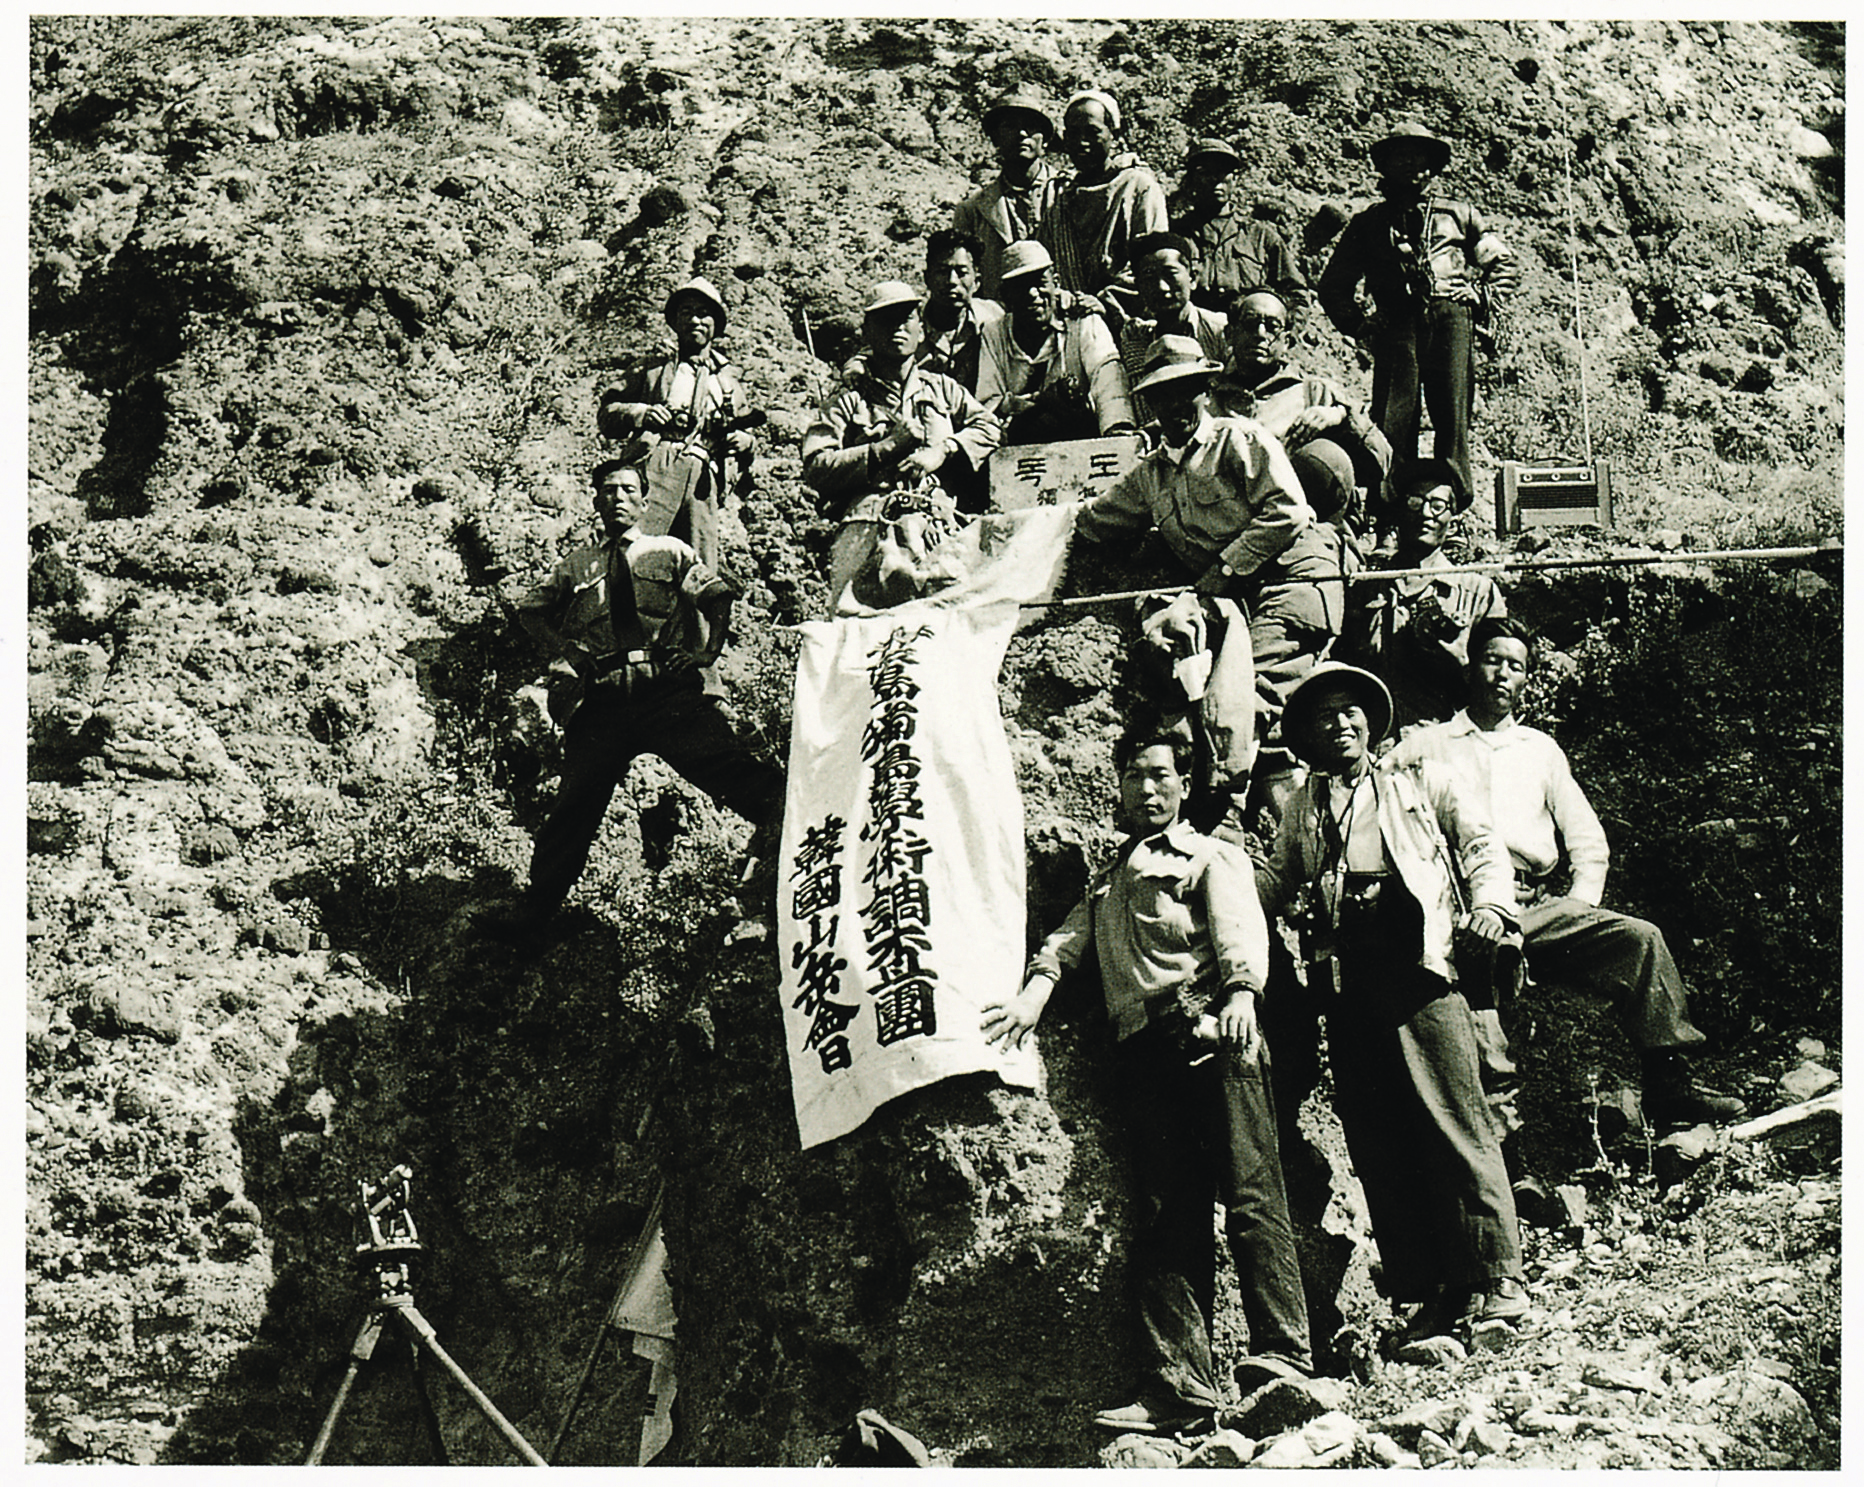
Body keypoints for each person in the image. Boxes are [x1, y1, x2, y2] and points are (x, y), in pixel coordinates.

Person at [982, 722, 1313, 1434]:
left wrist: (1242, 995)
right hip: (1142, 1052)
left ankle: (1285, 1356)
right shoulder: (1108, 877)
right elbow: (1067, 943)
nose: (1148, 787)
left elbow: (1238, 929)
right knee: (1169, 1216)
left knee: (1250, 1190)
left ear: (1184, 783)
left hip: (1210, 1030)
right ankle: (1178, 1387)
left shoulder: (1209, 854)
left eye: (1161, 774)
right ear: (1121, 786)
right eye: (1135, 775)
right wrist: (1031, 997)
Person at [1387, 618, 1749, 1131]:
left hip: (1534, 906)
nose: (1502, 675)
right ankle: (1507, 1140)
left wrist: (1580, 904)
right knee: (1486, 963)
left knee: (1640, 939)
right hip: (1457, 903)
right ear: (1470, 666)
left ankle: (1670, 1084)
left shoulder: (1540, 749)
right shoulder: (1427, 745)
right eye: (1493, 660)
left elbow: (1586, 838)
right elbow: (1382, 805)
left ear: (1526, 679)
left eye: (1516, 666)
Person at [1256, 662, 1529, 1340]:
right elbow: (1274, 881)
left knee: (1452, 1116)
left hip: (1419, 965)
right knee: (1377, 1135)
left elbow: (1481, 845)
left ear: (1371, 722)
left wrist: (1493, 907)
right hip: (1349, 980)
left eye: (1350, 710)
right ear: (1309, 738)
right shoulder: (1304, 807)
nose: (1340, 723)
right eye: (1324, 716)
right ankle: (1427, 1290)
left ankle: (1498, 1277)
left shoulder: (1419, 780)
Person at [477, 456, 783, 944]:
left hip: (666, 692)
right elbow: (531, 610)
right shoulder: (578, 565)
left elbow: (718, 596)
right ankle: (532, 916)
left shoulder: (670, 550)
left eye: (626, 490)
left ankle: (790, 875)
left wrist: (704, 654)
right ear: (596, 501)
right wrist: (568, 650)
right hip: (602, 701)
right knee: (572, 810)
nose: (616, 498)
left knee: (741, 776)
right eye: (607, 491)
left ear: (644, 501)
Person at [1076, 336, 1354, 833]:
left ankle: (1222, 819)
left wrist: (1221, 573)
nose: (1176, 406)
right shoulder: (1152, 475)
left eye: (1187, 391)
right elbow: (1095, 521)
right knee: (1183, 679)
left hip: (1295, 580)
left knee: (1247, 697)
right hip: (1234, 603)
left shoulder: (1240, 439)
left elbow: (1287, 512)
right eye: (1163, 396)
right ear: (1151, 404)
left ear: (1206, 391)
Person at [1316, 122, 1516, 517]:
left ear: (1434, 165)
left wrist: (1478, 294)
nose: (1412, 164)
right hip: (1395, 326)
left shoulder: (1461, 214)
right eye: (1401, 156)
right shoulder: (1368, 223)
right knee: (1393, 420)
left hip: (1451, 323)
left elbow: (1503, 264)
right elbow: (1333, 286)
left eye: (1421, 156)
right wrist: (1360, 326)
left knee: (1453, 417)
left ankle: (1451, 511)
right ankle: (1389, 514)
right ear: (1385, 165)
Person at [801, 280, 1001, 610]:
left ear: (921, 331)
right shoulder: (848, 400)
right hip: (868, 525)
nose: (897, 328)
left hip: (937, 522)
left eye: (906, 318)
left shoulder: (942, 389)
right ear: (866, 333)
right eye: (885, 320)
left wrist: (943, 450)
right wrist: (884, 449)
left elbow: (988, 426)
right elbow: (816, 467)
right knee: (857, 622)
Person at [596, 276, 755, 570]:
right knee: (637, 554)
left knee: (699, 569)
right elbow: (607, 414)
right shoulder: (652, 368)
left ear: (716, 325)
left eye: (703, 313)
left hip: (704, 478)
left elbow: (746, 436)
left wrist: (745, 442)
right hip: (657, 465)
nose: (695, 319)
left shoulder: (728, 382)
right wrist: (641, 413)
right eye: (686, 312)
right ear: (674, 321)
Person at [1339, 458, 1506, 733]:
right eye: (1415, 502)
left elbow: (1499, 686)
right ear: (1398, 513)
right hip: (1377, 747)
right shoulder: (1366, 587)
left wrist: (1461, 666)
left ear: (1452, 522)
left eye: (1438, 505)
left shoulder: (1478, 592)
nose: (1426, 513)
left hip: (1447, 745)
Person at [1209, 285, 1392, 529]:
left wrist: (1340, 418)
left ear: (1287, 341)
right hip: (1223, 530)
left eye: (1273, 326)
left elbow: (1382, 462)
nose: (1261, 333)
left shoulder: (1315, 392)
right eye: (1250, 323)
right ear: (1230, 334)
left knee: (1325, 454)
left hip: (1304, 531)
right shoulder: (1207, 400)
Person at [976, 240, 1136, 444]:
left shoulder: (1082, 321)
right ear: (1005, 295)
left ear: (1056, 284)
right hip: (1018, 444)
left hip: (1081, 438)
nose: (1032, 294)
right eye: (1021, 286)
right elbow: (988, 403)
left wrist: (1117, 431)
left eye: (1040, 283)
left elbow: (1107, 377)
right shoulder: (994, 334)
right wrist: (1040, 400)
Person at [1039, 89, 1169, 309]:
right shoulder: (1058, 195)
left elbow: (1153, 264)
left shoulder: (1137, 187)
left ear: (1114, 136)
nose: (1082, 143)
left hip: (1126, 316)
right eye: (1073, 133)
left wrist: (1103, 302)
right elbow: (1045, 263)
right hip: (1066, 314)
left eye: (1092, 132)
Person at [952, 84, 1067, 299]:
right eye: (1010, 126)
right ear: (995, 138)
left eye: (1031, 126)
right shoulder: (973, 210)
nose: (1022, 133)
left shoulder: (1068, 193)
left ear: (1045, 138)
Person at [1168, 138, 1307, 313]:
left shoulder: (1261, 237)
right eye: (1204, 171)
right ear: (1191, 179)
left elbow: (1296, 294)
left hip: (1249, 333)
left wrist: (1284, 334)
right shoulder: (1174, 236)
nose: (1215, 178)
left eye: (1223, 171)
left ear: (1235, 179)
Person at [1117, 232, 1231, 424]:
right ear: (1138, 286)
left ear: (1193, 278)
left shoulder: (1220, 330)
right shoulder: (1138, 338)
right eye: (1149, 277)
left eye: (1170, 274)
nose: (1161, 287)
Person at [915, 228, 1003, 397]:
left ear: (977, 281)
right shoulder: (909, 322)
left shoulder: (994, 318)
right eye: (942, 272)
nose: (951, 281)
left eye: (962, 273)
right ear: (927, 278)